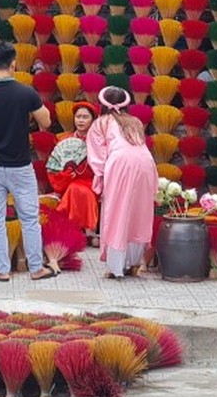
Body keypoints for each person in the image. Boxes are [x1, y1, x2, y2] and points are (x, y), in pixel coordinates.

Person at [0, 42, 57, 282]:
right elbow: (46, 122)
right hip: (20, 166)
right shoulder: (26, 92)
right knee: (29, 218)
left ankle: (2, 270)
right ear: (14, 63)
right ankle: (36, 268)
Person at [89, 87, 158, 279]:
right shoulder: (135, 122)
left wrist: (100, 180)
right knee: (139, 212)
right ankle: (134, 263)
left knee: (117, 212)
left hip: (120, 165)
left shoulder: (100, 123)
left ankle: (116, 267)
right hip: (145, 164)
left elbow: (97, 157)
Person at [47, 102, 101, 241]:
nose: (80, 120)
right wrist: (65, 175)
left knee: (78, 189)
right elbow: (54, 168)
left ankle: (75, 230)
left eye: (85, 117)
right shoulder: (63, 139)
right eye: (78, 117)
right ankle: (88, 232)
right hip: (67, 181)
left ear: (93, 120)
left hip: (92, 181)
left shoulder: (99, 142)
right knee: (74, 187)